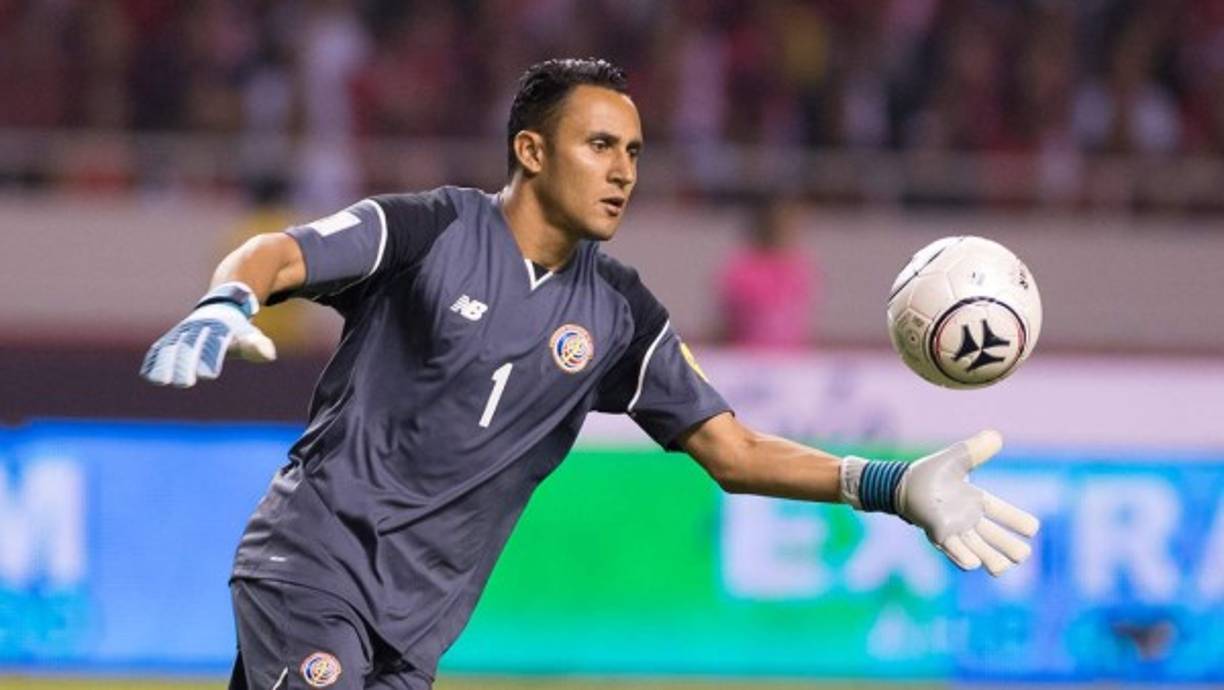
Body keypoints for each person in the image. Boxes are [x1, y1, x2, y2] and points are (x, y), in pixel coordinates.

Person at [140, 58, 1039, 690]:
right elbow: (275, 253)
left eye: (635, 153)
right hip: (313, 566)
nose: (622, 172)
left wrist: (889, 484)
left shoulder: (620, 315)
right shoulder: (430, 231)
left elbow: (733, 450)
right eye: (600, 146)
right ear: (531, 151)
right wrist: (227, 303)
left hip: (412, 632)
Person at [717, 196, 818, 349]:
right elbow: (728, 321)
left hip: (789, 356)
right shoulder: (742, 268)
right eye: (781, 226)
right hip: (747, 354)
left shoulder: (800, 267)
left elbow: (798, 321)